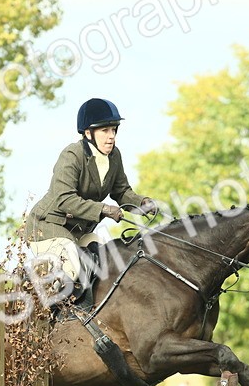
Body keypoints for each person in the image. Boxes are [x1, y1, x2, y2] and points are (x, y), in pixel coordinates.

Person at [27, 98, 156, 307]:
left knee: (104, 261)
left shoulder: (114, 156)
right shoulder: (72, 155)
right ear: (88, 133)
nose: (111, 136)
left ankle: (91, 314)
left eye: (114, 130)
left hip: (78, 231)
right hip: (46, 227)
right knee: (71, 261)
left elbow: (121, 191)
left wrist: (143, 203)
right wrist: (104, 209)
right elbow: (64, 199)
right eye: (105, 130)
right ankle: (48, 319)